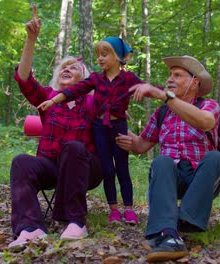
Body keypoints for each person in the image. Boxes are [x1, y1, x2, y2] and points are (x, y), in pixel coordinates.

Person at [115, 55, 220, 262]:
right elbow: (141, 146)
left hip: (202, 178)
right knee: (161, 161)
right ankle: (169, 233)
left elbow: (205, 122)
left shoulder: (208, 105)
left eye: (177, 75)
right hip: (171, 179)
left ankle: (181, 222)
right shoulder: (162, 113)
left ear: (194, 82)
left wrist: (164, 96)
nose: (170, 79)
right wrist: (118, 127)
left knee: (216, 157)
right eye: (170, 75)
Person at [8, 4, 103, 249]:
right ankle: (31, 228)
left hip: (85, 166)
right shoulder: (48, 99)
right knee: (21, 161)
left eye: (73, 67)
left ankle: (75, 222)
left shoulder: (92, 101)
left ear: (84, 79)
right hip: (51, 165)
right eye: (63, 67)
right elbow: (25, 80)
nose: (67, 69)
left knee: (73, 147)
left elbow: (114, 119)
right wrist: (31, 40)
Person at [38, 37, 143, 225]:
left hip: (118, 126)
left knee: (122, 168)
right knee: (108, 170)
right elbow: (75, 90)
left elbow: (150, 89)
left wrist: (169, 96)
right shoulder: (96, 78)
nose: (100, 59)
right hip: (100, 128)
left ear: (118, 56)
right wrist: (54, 100)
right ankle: (113, 210)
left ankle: (129, 209)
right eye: (98, 55)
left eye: (105, 54)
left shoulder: (129, 78)